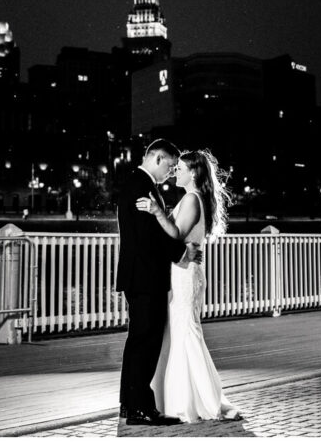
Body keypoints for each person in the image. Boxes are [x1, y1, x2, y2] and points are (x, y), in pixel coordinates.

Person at [137, 148, 241, 423]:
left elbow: (176, 235)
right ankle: (177, 397)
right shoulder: (189, 199)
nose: (176, 172)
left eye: (180, 168)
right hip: (182, 270)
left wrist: (158, 212)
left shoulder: (192, 199)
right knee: (178, 332)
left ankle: (200, 400)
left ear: (194, 172)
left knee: (186, 332)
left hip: (185, 274)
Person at [116, 139, 202, 427]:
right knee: (146, 341)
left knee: (138, 340)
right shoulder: (140, 184)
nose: (170, 171)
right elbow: (148, 235)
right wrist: (181, 253)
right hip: (145, 274)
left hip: (139, 273)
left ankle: (131, 405)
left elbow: (150, 232)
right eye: (169, 164)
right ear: (157, 158)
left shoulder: (137, 183)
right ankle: (140, 408)